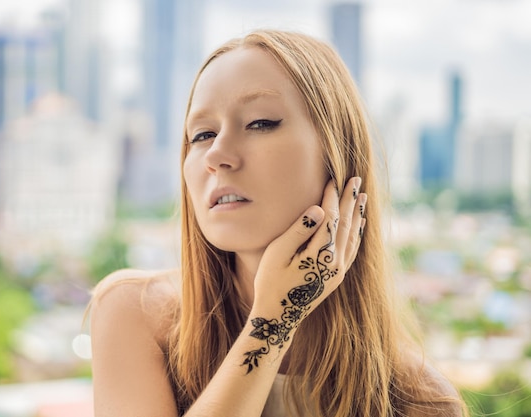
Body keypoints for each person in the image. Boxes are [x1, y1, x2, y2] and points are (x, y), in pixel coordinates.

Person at [89, 29, 467, 417]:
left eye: (260, 123)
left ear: (337, 155)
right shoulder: (134, 315)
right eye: (202, 134)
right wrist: (276, 316)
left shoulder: (417, 400)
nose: (217, 154)